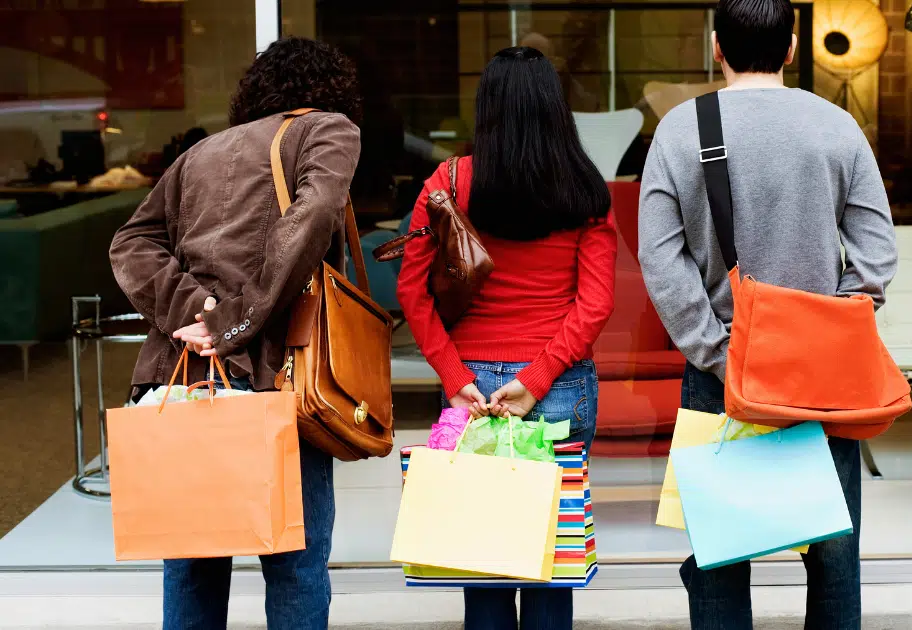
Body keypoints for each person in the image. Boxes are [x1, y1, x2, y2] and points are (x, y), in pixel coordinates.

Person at [638, 1, 897, 627]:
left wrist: (713, 348)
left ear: (717, 46)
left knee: (721, 552)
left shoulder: (679, 130)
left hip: (720, 370)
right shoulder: (837, 127)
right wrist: (822, 332)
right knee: (833, 553)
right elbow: (876, 257)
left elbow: (659, 256)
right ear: (792, 47)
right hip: (821, 375)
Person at [108, 37, 363, 630]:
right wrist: (231, 321)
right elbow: (313, 217)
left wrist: (193, 312)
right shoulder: (329, 129)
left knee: (193, 562)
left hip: (188, 379)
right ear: (329, 89)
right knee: (296, 562)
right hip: (279, 373)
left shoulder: (201, 153)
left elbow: (130, 243)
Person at [395, 46, 616, 630]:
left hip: (470, 390)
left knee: (480, 561)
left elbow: (413, 294)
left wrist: (455, 376)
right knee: (550, 562)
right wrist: (535, 379)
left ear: (486, 107)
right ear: (555, 108)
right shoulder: (587, 190)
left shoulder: (447, 182)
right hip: (559, 387)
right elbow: (595, 303)